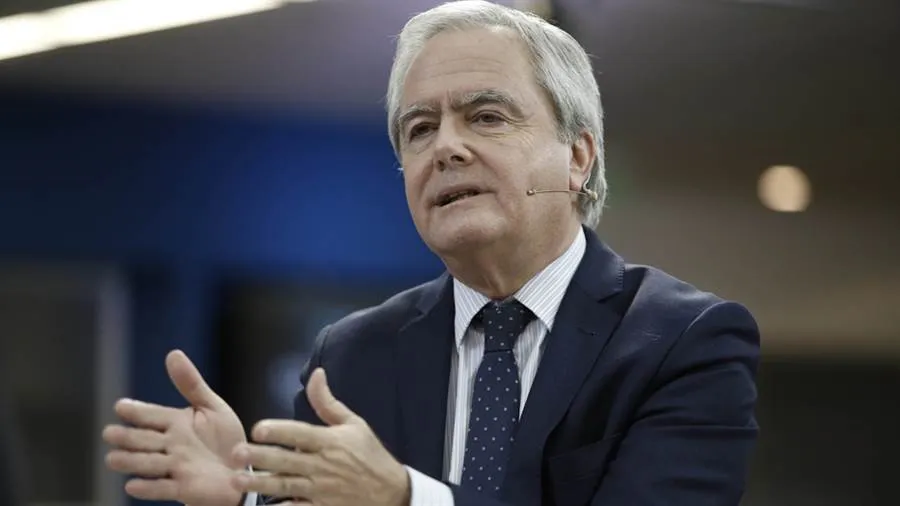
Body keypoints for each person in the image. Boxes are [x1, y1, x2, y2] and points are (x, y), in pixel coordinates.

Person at [102, 1, 761, 505]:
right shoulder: (351, 354)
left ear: (578, 157)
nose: (445, 147)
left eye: (487, 117)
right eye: (419, 128)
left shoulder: (683, 342)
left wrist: (405, 499)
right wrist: (247, 496)